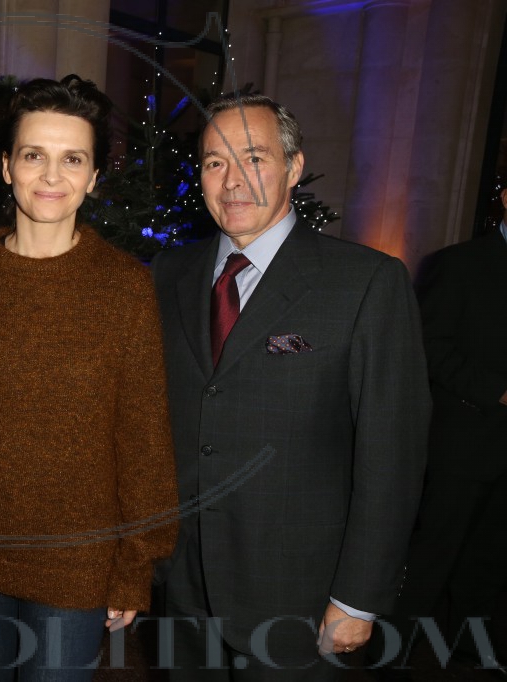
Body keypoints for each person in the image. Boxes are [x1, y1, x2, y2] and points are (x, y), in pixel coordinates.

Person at [150, 93, 430, 681]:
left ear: (294, 167)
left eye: (253, 158)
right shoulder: (167, 277)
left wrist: (358, 598)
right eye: (214, 162)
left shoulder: (365, 283)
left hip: (301, 597)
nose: (232, 181)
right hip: (183, 590)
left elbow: (391, 454)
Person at [0, 74, 179, 682]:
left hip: (79, 556)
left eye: (73, 160)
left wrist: (135, 564)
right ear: (7, 166)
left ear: (93, 176)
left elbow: (144, 437)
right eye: (34, 155)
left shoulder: (125, 287)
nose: (52, 177)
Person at [374, 185, 507, 675]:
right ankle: (390, 654)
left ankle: (473, 652)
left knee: (491, 561)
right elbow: (428, 345)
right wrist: (496, 390)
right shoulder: (460, 264)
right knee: (432, 557)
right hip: (464, 439)